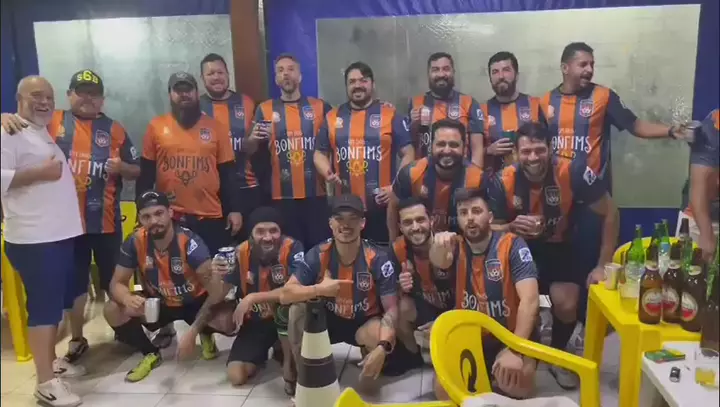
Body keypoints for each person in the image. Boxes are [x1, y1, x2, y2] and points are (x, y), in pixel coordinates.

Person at [1, 69, 141, 363]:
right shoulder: (50, 120)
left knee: (115, 281)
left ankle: (126, 331)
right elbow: (20, 125)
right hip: (62, 228)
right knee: (74, 287)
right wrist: (4, 117)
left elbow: (137, 169)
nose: (88, 98)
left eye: (94, 93)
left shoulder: (115, 129)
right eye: (81, 92)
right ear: (69, 95)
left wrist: (122, 168)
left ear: (102, 98)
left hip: (106, 222)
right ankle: (77, 338)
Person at [486, 122, 619, 389]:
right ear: (516, 153)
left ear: (550, 148)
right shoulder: (503, 180)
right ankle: (521, 343)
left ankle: (557, 354)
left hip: (561, 246)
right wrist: (511, 227)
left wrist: (604, 264)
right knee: (518, 302)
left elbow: (611, 213)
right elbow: (491, 230)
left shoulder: (573, 170)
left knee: (567, 302)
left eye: (539, 150)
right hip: (518, 249)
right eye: (526, 151)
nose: (533, 157)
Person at [1, 76, 85, 406]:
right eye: (36, 95)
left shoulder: (38, 131)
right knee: (44, 311)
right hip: (36, 240)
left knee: (55, 308)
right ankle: (45, 383)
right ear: (18, 98)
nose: (45, 102)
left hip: (58, 236)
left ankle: (50, 365)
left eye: (49, 96)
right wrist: (39, 173)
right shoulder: (8, 132)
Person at [281, 194, 423, 383]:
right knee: (296, 311)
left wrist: (383, 347)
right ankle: (304, 376)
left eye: (353, 218)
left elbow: (391, 310)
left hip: (362, 322)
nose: (346, 225)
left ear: (363, 223)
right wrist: (319, 290)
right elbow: (285, 295)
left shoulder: (378, 258)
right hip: (327, 320)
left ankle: (372, 354)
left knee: (379, 341)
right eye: (339, 218)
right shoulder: (318, 254)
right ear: (330, 223)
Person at [104, 190, 234, 382]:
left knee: (228, 321)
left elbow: (215, 292)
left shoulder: (190, 243)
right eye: (147, 216)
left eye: (159, 213)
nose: (154, 221)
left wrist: (192, 332)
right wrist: (126, 298)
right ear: (139, 218)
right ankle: (150, 353)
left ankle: (205, 332)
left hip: (194, 303)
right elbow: (116, 283)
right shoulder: (135, 241)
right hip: (159, 303)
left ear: (170, 213)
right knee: (112, 309)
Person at [429, 188, 539, 399]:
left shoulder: (512, 244)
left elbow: (530, 300)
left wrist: (515, 349)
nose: (470, 218)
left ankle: (505, 365)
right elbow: (440, 261)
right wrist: (437, 246)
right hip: (469, 335)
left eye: (476, 211)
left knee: (519, 386)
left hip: (508, 334)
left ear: (490, 217)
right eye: (463, 213)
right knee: (444, 391)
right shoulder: (454, 246)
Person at [136, 71, 243, 254]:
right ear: (170, 94)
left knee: (212, 267)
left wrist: (234, 209)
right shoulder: (156, 126)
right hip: (170, 216)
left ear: (196, 93)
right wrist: (142, 210)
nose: (184, 94)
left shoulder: (216, 128)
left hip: (209, 216)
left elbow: (228, 174)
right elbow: (146, 173)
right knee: (172, 268)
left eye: (188, 90)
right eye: (178, 91)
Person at [315, 62, 415, 245]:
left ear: (372, 84)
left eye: (363, 80)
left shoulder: (390, 114)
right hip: (345, 207)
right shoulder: (332, 117)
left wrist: (395, 187)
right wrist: (327, 172)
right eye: (352, 81)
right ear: (346, 86)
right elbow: (319, 153)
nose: (357, 85)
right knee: (348, 255)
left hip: (382, 205)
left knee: (384, 254)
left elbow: (409, 152)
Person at [210, 206, 303, 397]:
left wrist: (253, 297)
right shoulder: (239, 252)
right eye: (260, 231)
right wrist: (216, 275)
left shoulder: (293, 248)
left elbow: (295, 290)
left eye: (273, 231)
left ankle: (288, 359)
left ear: (281, 232)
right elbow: (218, 294)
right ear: (251, 234)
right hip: (256, 322)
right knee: (236, 375)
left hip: (287, 320)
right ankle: (264, 352)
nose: (267, 237)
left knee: (292, 309)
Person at [252, 53, 333, 249]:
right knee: (289, 252)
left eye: (290, 69)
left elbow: (344, 126)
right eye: (280, 70)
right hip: (281, 197)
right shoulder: (264, 109)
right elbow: (252, 150)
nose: (286, 74)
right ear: (276, 79)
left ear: (300, 75)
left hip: (316, 195)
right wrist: (251, 139)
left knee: (319, 251)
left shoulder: (320, 107)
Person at [388, 119, 485, 241]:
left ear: (464, 149)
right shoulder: (411, 173)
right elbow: (393, 208)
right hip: (418, 244)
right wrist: (393, 244)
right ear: (431, 146)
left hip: (462, 246)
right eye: (441, 144)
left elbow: (487, 224)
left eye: (454, 145)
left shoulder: (478, 179)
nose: (447, 150)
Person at [199, 53, 260, 242]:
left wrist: (252, 143)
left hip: (247, 187)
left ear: (228, 74)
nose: (216, 77)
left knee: (249, 248)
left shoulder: (247, 103)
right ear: (202, 78)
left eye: (220, 72)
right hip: (211, 193)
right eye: (210, 73)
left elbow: (256, 148)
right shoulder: (196, 107)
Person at [391, 198, 454, 352]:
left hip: (456, 310)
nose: (415, 227)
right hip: (427, 308)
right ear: (400, 227)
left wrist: (443, 324)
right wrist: (400, 287)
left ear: (431, 220)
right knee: (400, 309)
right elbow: (388, 295)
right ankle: (414, 358)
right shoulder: (397, 250)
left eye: (420, 220)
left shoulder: (450, 244)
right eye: (407, 222)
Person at [407, 52, 485, 166]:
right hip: (424, 173)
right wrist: (414, 124)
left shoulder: (469, 103)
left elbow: (477, 150)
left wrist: (474, 176)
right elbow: (408, 148)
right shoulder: (415, 103)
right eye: (435, 70)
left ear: (453, 72)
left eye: (446, 69)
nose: (441, 74)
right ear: (428, 74)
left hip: (461, 173)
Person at [481, 52, 546, 173]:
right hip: (494, 179)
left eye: (506, 70)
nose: (501, 76)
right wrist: (488, 150)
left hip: (530, 178)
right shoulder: (481, 110)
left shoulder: (536, 105)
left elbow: (548, 145)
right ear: (490, 78)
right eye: (495, 72)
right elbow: (469, 152)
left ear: (517, 75)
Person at [680, 108, 719, 261]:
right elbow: (700, 187)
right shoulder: (713, 127)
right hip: (704, 216)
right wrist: (706, 234)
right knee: (694, 269)